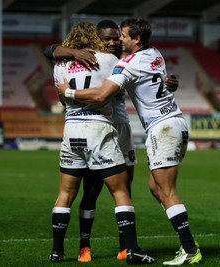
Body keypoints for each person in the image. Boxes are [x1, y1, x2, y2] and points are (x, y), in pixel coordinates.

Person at [56, 18, 202, 266]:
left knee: (166, 191)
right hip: (172, 123)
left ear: (135, 39)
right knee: (155, 188)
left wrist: (67, 92)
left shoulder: (126, 65)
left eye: (121, 36)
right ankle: (178, 244)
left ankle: (189, 248)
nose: (118, 41)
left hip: (162, 127)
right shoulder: (154, 53)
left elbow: (102, 95)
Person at [48, 21, 155, 265]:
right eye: (105, 38)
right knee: (120, 191)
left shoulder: (60, 65)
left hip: (73, 128)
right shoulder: (109, 62)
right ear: (95, 38)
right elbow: (106, 91)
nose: (110, 42)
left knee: (65, 193)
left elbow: (61, 97)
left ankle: (57, 251)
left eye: (115, 38)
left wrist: (71, 87)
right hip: (100, 127)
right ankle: (131, 249)